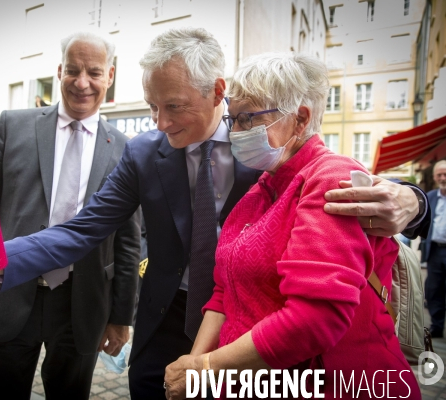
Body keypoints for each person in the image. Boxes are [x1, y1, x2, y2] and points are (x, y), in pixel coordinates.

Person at [0, 28, 429, 399]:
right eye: (152, 107)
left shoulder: (263, 143)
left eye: (173, 107)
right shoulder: (145, 153)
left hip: (261, 331)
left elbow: (332, 172)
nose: (159, 123)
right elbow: (85, 229)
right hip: (168, 318)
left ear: (217, 92)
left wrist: (416, 199)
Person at [163, 52, 420, 400]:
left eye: (247, 119)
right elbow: (225, 294)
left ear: (299, 119)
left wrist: (205, 368)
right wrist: (193, 371)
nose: (235, 132)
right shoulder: (261, 190)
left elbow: (314, 320)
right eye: (233, 119)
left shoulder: (330, 178)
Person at [0, 32, 140, 400]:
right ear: (58, 71)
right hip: (8, 294)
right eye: (73, 70)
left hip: (83, 305)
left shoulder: (127, 150)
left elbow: (127, 241)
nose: (82, 83)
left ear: (110, 76)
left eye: (94, 73)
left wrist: (121, 317)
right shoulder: (12, 125)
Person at [423, 160, 446, 339]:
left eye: (445, 174)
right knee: (433, 289)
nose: (443, 178)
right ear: (434, 177)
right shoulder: (430, 196)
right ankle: (436, 327)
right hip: (435, 251)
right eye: (439, 174)